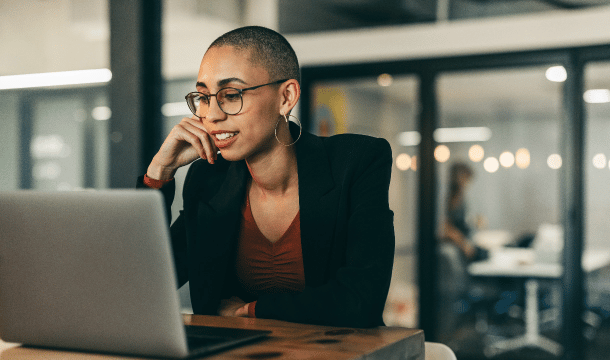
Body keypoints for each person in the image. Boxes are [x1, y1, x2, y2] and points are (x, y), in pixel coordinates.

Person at [136, 26, 395, 328]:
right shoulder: (208, 179)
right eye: (204, 97)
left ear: (286, 97)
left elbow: (361, 299)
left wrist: (250, 311)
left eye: (231, 95)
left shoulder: (357, 161)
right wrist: (159, 174)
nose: (212, 115)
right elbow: (143, 284)